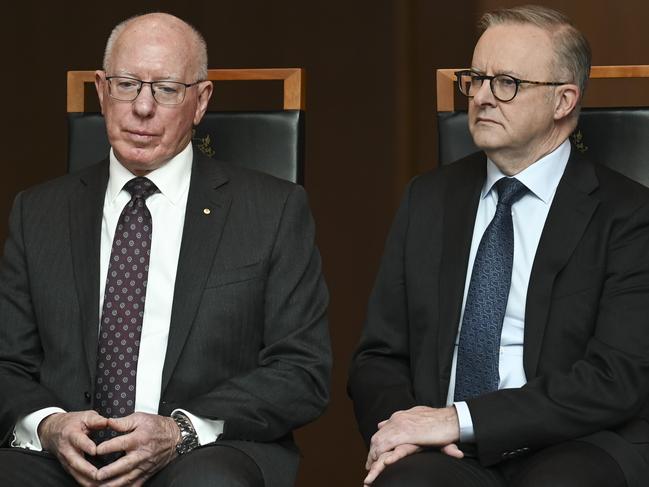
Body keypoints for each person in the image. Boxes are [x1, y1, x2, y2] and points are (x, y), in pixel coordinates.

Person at [0, 12, 330, 487]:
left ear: (201, 100)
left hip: (202, 454)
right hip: (58, 458)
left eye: (167, 89)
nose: (142, 107)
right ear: (101, 90)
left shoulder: (273, 211)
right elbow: (8, 363)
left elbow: (302, 371)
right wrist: (50, 425)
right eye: (128, 84)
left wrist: (180, 432)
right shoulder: (37, 213)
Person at [349, 5, 649, 487]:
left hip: (578, 441)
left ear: (563, 101)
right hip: (443, 450)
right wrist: (402, 428)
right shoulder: (428, 198)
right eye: (476, 78)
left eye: (506, 82)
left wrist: (462, 419)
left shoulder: (630, 215)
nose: (483, 97)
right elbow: (378, 356)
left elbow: (616, 378)